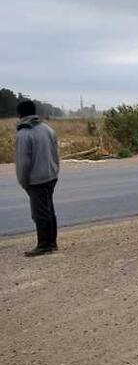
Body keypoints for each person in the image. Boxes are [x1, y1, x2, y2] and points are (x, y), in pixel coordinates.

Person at [15, 100, 60, 257]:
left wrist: (23, 181)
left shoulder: (24, 133)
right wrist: (55, 171)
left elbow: (23, 162)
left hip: (36, 180)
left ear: (19, 115)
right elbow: (56, 154)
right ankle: (51, 242)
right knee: (49, 210)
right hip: (51, 176)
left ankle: (44, 245)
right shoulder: (47, 129)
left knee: (39, 213)